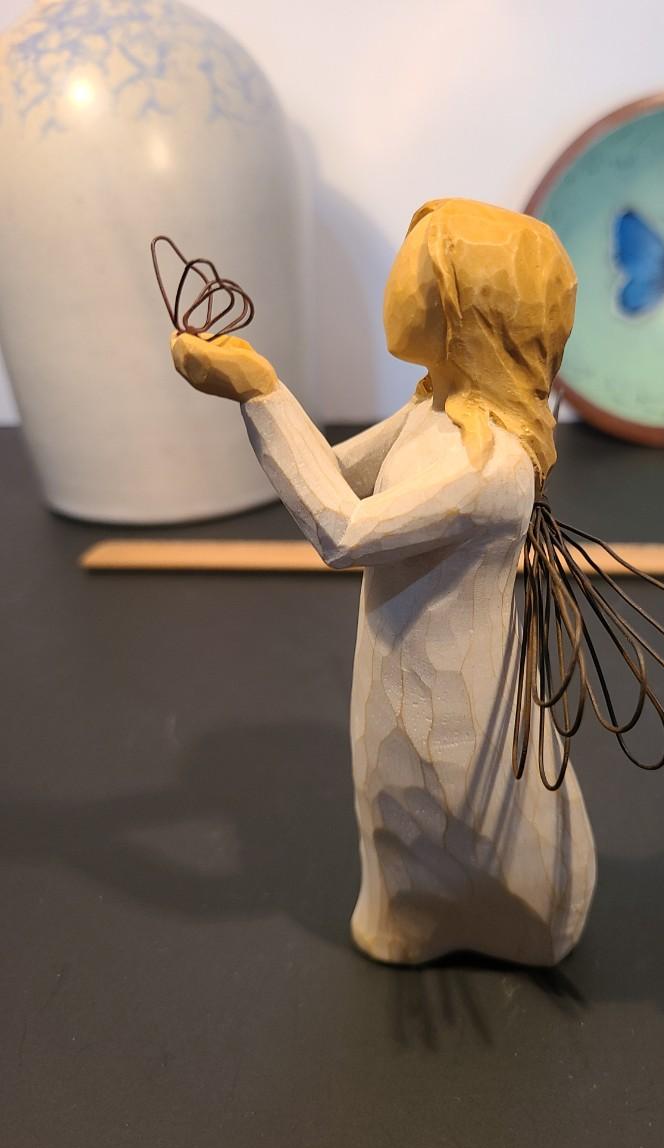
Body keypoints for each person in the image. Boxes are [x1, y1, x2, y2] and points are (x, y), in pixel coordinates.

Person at [170, 198, 596, 965]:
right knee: (394, 814)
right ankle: (407, 920)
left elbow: (344, 531)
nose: (394, 289)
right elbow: (330, 475)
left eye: (417, 275)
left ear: (474, 312)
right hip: (393, 686)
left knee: (467, 819)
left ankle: (524, 920)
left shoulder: (494, 465)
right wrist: (256, 398)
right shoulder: (432, 411)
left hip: (467, 716)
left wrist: (262, 393)